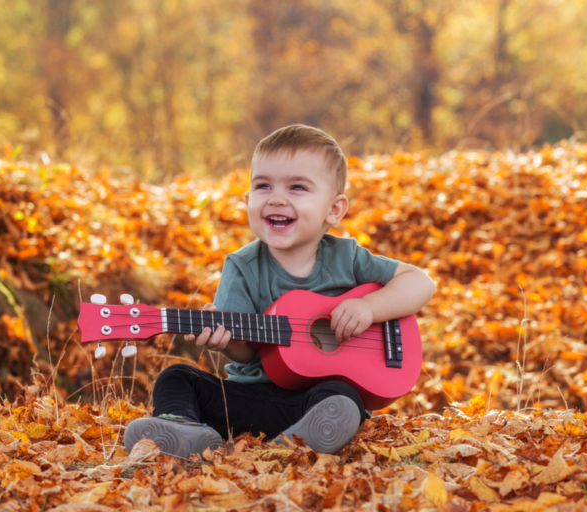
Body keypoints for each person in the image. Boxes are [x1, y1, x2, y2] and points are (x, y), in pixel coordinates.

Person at [124, 124, 436, 457]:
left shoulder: (347, 257)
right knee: (177, 376)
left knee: (342, 398)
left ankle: (306, 437)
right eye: (263, 186)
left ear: (334, 209)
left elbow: (421, 282)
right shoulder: (243, 266)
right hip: (249, 402)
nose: (276, 198)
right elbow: (245, 352)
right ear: (248, 200)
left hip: (313, 404)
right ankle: (183, 429)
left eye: (297, 187)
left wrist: (370, 308)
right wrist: (226, 342)